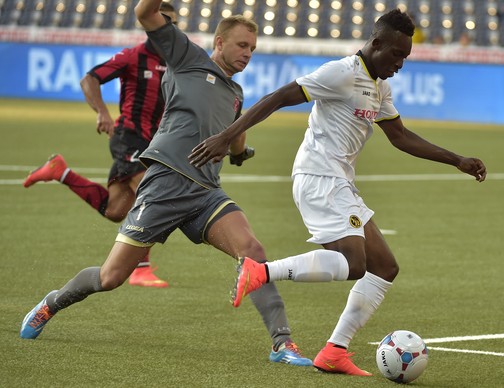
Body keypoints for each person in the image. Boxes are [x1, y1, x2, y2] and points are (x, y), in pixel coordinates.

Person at [190, 8, 487, 376]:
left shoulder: (379, 85)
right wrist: (227, 136)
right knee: (354, 263)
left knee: (384, 267)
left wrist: (456, 159)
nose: (400, 64)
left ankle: (335, 350)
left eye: (406, 57)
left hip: (339, 182)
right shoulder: (342, 73)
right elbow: (279, 96)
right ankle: (260, 272)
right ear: (377, 44)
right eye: (397, 54)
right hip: (319, 178)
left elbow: (400, 136)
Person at [19, 0, 312, 368]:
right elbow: (145, 13)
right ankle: (52, 303)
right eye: (241, 45)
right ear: (219, 43)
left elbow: (235, 136)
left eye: (252, 48)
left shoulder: (235, 93)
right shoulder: (187, 56)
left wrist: (240, 150)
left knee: (253, 251)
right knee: (110, 277)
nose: (248, 54)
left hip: (205, 193)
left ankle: (282, 344)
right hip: (163, 187)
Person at [22, 1, 179, 288]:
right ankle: (141, 267)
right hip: (130, 137)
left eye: (172, 23)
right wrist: (102, 112)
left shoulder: (176, 63)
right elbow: (89, 79)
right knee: (151, 189)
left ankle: (60, 172)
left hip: (154, 142)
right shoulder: (133, 56)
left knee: (116, 210)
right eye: (162, 20)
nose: (167, 27)